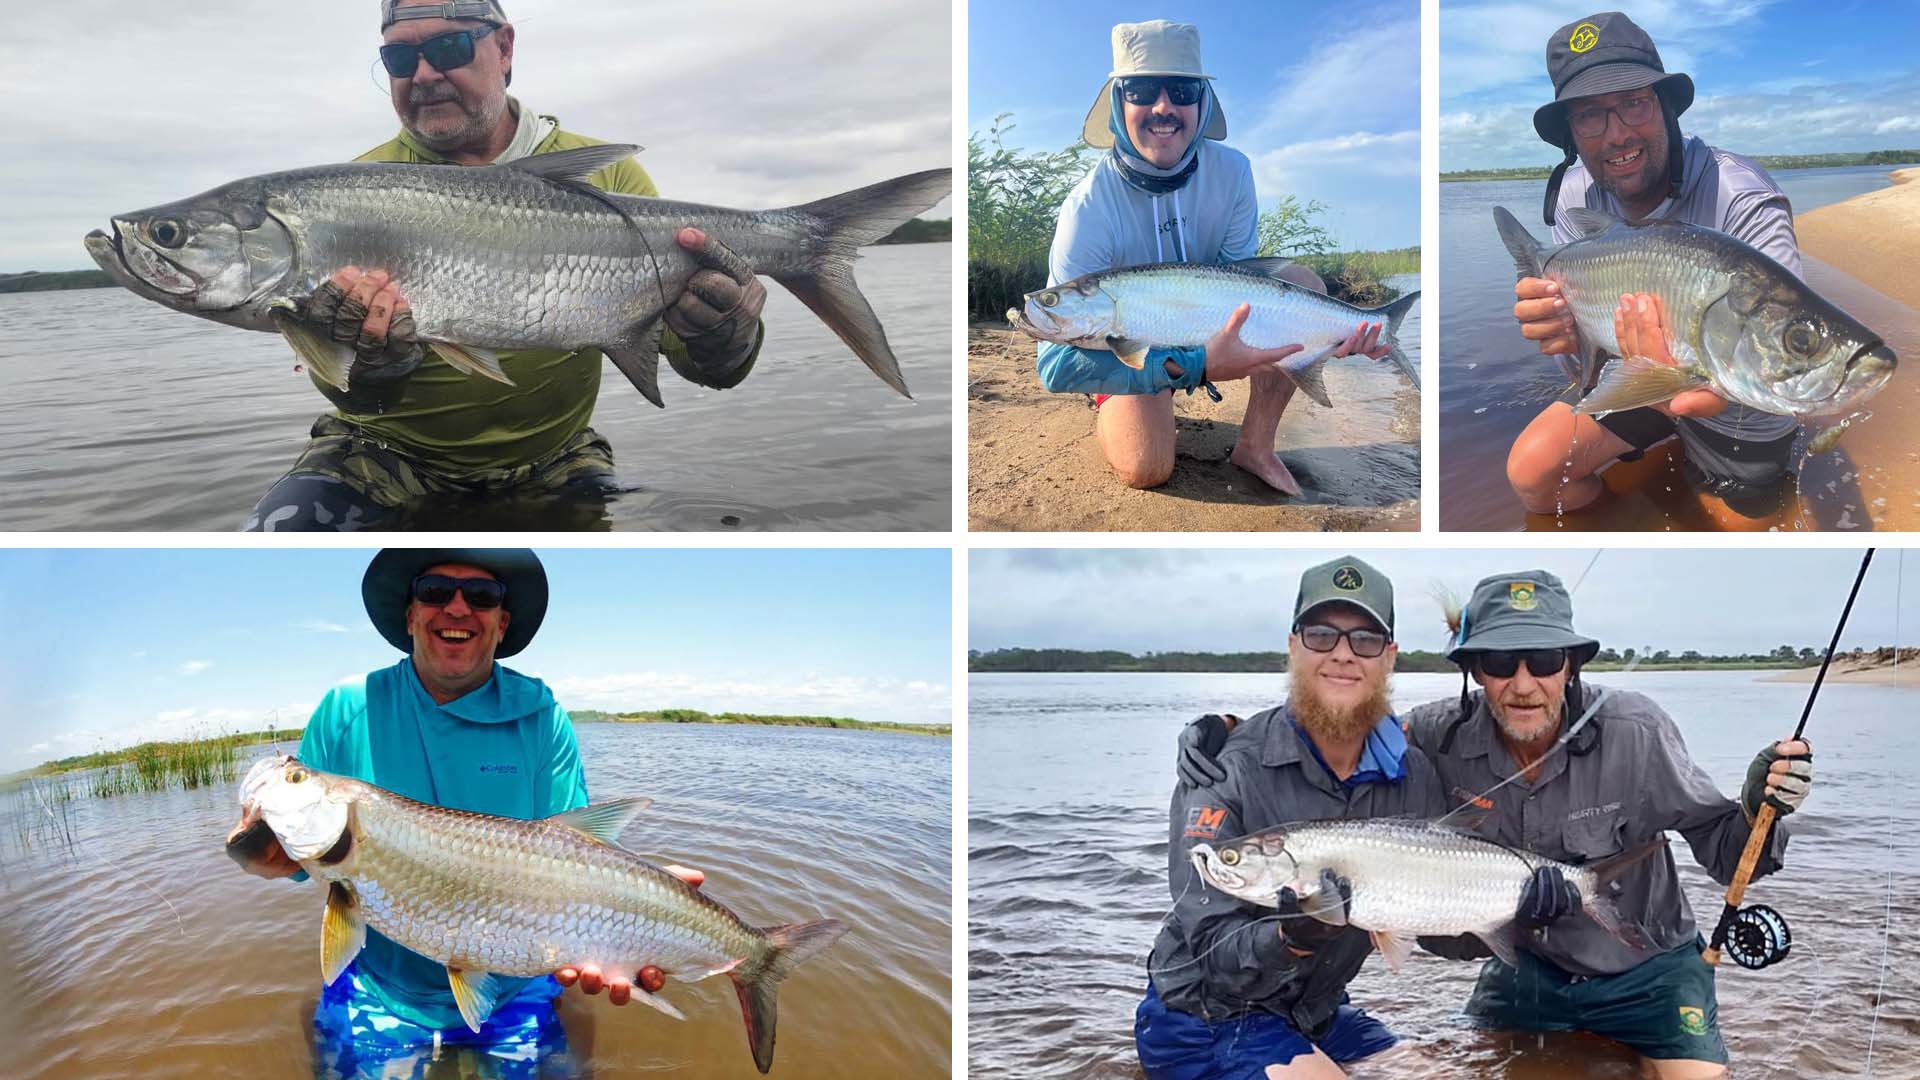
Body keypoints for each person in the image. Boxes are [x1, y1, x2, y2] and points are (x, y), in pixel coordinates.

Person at [1178, 570, 1815, 1079]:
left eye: (1541, 659)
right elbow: (1336, 721)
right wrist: (1228, 731)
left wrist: (1761, 809)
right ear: (1474, 671)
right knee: (1458, 1066)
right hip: (1526, 970)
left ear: (1569, 663)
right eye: (1499, 663)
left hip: (1647, 967)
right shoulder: (1435, 734)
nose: (1522, 683)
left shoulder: (1636, 731)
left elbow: (1737, 864)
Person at [244, 0, 768, 532]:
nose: (423, 74)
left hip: (557, 456)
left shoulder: (611, 179)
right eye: (400, 59)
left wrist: (728, 333)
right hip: (384, 453)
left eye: (448, 47)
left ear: (505, 47)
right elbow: (352, 393)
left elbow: (700, 364)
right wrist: (381, 366)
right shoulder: (346, 194)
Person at [235, 548, 700, 1073]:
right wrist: (258, 851)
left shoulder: (543, 716)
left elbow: (577, 853)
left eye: (481, 596)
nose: (457, 608)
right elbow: (293, 864)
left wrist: (642, 895)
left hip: (515, 992)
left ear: (502, 624)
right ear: (410, 614)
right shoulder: (347, 708)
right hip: (378, 989)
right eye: (435, 591)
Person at [1035, 20, 1390, 494]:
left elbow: (1244, 281)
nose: (1163, 106)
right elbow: (1055, 366)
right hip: (1133, 354)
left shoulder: (1235, 171)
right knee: (1146, 468)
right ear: (1119, 104)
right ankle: (1120, 408)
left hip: (1212, 326)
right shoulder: (1088, 208)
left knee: (1303, 283)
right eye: (1141, 90)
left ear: (1202, 103)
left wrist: (1331, 333)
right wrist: (1196, 364)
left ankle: (1256, 447)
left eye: (1181, 89)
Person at [1139, 556, 1448, 1080]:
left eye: (1366, 641)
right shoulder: (1222, 767)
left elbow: (1437, 925)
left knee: (1438, 1073)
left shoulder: (1412, 774)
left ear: (1389, 657)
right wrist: (1291, 938)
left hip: (1313, 1014)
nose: (1343, 656)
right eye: (1322, 635)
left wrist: (1516, 913)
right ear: (1293, 645)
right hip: (1205, 1015)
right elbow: (1207, 945)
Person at [1505, 11, 1804, 526]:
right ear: (1571, 134)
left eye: (1633, 103)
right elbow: (1587, 353)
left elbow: (1784, 356)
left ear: (1666, 108)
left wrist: (1688, 391)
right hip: (1635, 371)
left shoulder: (1745, 197)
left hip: (1741, 401)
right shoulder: (1576, 192)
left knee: (1737, 525)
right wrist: (1561, 328)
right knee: (1533, 473)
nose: (1616, 134)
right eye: (1590, 115)